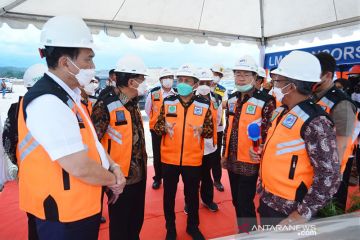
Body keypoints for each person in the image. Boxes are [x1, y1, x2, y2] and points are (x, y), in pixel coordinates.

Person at [17, 15, 126, 240]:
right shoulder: (48, 100)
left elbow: (92, 143)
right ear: (66, 62)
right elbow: (79, 167)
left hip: (80, 206)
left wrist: (113, 165)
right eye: (88, 59)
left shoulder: (70, 96)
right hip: (62, 214)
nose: (93, 67)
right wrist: (115, 180)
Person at [253, 50, 341, 226]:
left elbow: (329, 175)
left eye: (277, 81)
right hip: (268, 199)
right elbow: (286, 147)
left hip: (290, 210)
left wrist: (301, 214)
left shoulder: (316, 121)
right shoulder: (281, 111)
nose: (273, 84)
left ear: (291, 86)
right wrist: (263, 151)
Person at [91, 55, 148, 240]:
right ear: (132, 82)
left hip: (138, 176)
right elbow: (93, 145)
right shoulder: (105, 105)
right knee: (120, 228)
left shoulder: (131, 103)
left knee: (135, 223)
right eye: (142, 79)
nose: (144, 83)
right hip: (119, 181)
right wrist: (109, 176)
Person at [154, 64, 213, 240]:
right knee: (169, 196)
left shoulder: (203, 104)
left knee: (192, 196)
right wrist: (164, 127)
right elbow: (157, 127)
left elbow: (210, 131)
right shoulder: (168, 101)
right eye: (180, 80)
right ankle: (170, 229)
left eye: (187, 80)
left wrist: (202, 130)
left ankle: (192, 227)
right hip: (169, 159)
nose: (182, 83)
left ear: (195, 84)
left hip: (193, 160)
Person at [222, 55, 275, 233]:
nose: (241, 77)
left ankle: (249, 234)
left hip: (250, 161)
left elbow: (270, 132)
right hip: (232, 159)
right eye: (238, 74)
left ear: (255, 77)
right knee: (237, 201)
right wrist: (224, 154)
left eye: (246, 74)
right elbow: (228, 129)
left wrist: (261, 150)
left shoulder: (266, 101)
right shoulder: (231, 99)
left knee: (245, 202)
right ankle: (244, 231)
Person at [2, 63, 47, 240]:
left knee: (34, 216)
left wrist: (20, 163)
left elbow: (8, 141)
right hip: (51, 176)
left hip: (28, 173)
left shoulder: (16, 108)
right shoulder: (53, 107)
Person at [313, 52, 357, 212]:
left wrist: (330, 176)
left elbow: (342, 143)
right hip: (310, 170)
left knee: (328, 218)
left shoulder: (342, 103)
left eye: (314, 72)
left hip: (329, 174)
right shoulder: (312, 96)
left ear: (327, 75)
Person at [145, 68, 177, 189]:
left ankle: (170, 177)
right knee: (157, 155)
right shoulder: (153, 93)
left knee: (170, 154)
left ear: (173, 80)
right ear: (160, 80)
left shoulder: (177, 94)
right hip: (156, 130)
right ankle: (158, 178)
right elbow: (148, 110)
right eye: (165, 77)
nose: (168, 80)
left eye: (170, 77)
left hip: (172, 130)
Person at [210, 64, 227, 191]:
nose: (216, 77)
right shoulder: (201, 86)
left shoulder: (222, 89)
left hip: (218, 127)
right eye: (215, 73)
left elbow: (225, 104)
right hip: (203, 127)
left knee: (216, 155)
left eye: (219, 75)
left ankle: (217, 180)